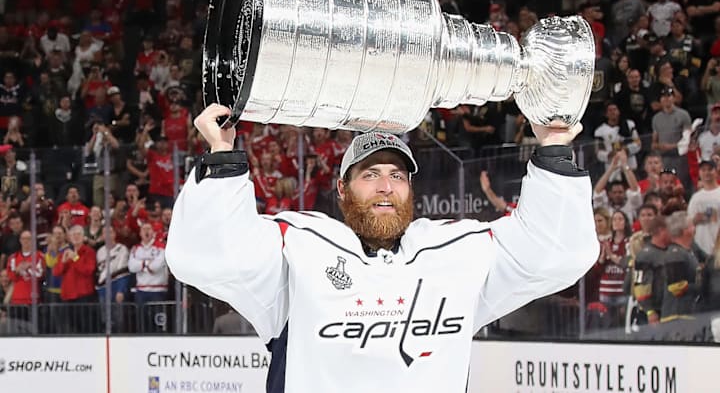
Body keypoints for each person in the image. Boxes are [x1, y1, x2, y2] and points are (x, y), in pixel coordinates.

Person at [166, 104, 599, 393]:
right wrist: (222, 154)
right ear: (342, 188)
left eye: (396, 174)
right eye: (370, 174)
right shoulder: (298, 251)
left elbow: (555, 253)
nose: (386, 186)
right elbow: (204, 255)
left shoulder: (453, 254)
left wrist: (554, 151)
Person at [687, 160, 720, 256]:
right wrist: (696, 219)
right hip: (701, 245)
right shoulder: (696, 197)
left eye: (710, 169)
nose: (707, 173)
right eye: (703, 170)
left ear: (716, 172)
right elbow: (689, 221)